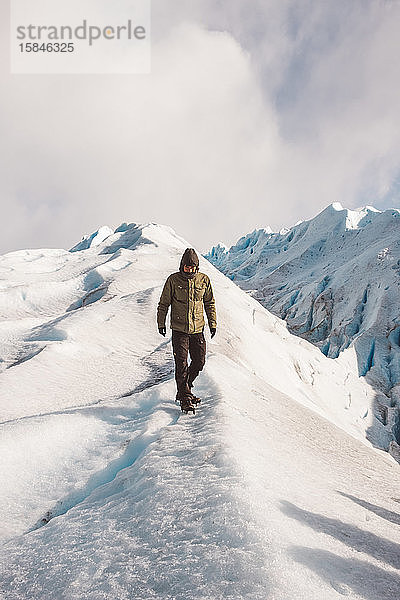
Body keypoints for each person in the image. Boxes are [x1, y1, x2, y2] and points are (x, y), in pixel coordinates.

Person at [157, 248, 217, 413]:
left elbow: (209, 303)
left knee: (199, 362)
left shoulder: (203, 280)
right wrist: (160, 323)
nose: (189, 270)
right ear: (181, 266)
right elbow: (164, 304)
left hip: (198, 329)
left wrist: (213, 324)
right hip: (179, 330)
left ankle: (185, 388)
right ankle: (185, 398)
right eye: (186, 267)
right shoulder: (173, 280)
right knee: (181, 363)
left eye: (192, 267)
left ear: (196, 267)